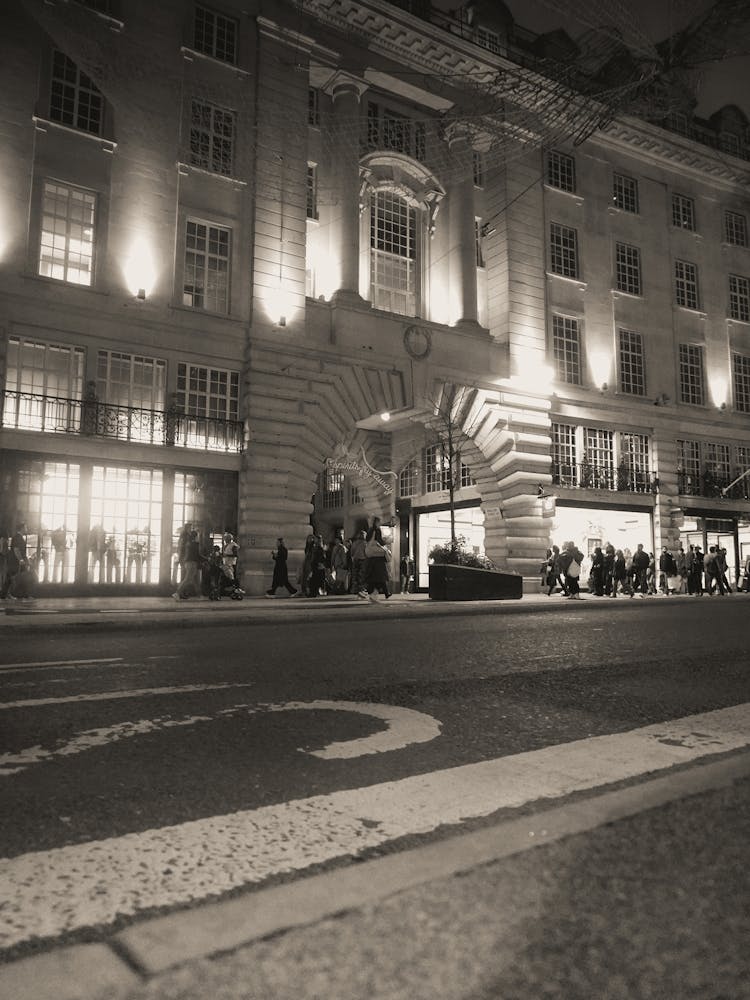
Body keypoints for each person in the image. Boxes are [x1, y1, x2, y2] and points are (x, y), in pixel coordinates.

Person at [361, 516, 391, 602]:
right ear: (377, 522)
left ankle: (383, 592)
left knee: (373, 577)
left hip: (371, 556)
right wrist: (386, 541)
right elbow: (380, 541)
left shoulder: (370, 530)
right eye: (379, 522)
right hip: (377, 556)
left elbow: (367, 539)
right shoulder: (377, 530)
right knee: (380, 576)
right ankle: (382, 592)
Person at [1, 522, 31, 600]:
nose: (26, 529)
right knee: (12, 577)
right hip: (15, 561)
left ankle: (5, 594)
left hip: (15, 560)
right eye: (26, 527)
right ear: (22, 528)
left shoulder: (18, 537)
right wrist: (21, 560)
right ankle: (8, 594)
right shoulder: (18, 537)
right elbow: (16, 549)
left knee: (11, 577)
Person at [173, 529, 202, 600]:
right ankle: (177, 593)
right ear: (196, 536)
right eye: (198, 535)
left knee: (195, 579)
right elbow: (197, 555)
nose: (198, 537)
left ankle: (199, 595)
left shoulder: (188, 543)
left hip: (188, 562)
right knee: (188, 579)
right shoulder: (195, 544)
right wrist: (206, 559)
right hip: (192, 563)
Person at [308, 533, 327, 597]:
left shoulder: (320, 548)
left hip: (317, 565)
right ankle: (314, 592)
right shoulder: (315, 547)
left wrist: (319, 563)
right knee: (315, 580)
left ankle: (314, 592)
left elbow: (322, 557)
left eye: (315, 539)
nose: (314, 540)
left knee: (315, 580)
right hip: (315, 565)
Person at [349, 530, 367, 595]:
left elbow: (352, 552)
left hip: (355, 560)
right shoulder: (365, 543)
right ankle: (362, 589)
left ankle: (354, 589)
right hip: (363, 560)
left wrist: (353, 557)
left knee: (355, 574)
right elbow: (367, 552)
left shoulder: (354, 543)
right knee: (362, 575)